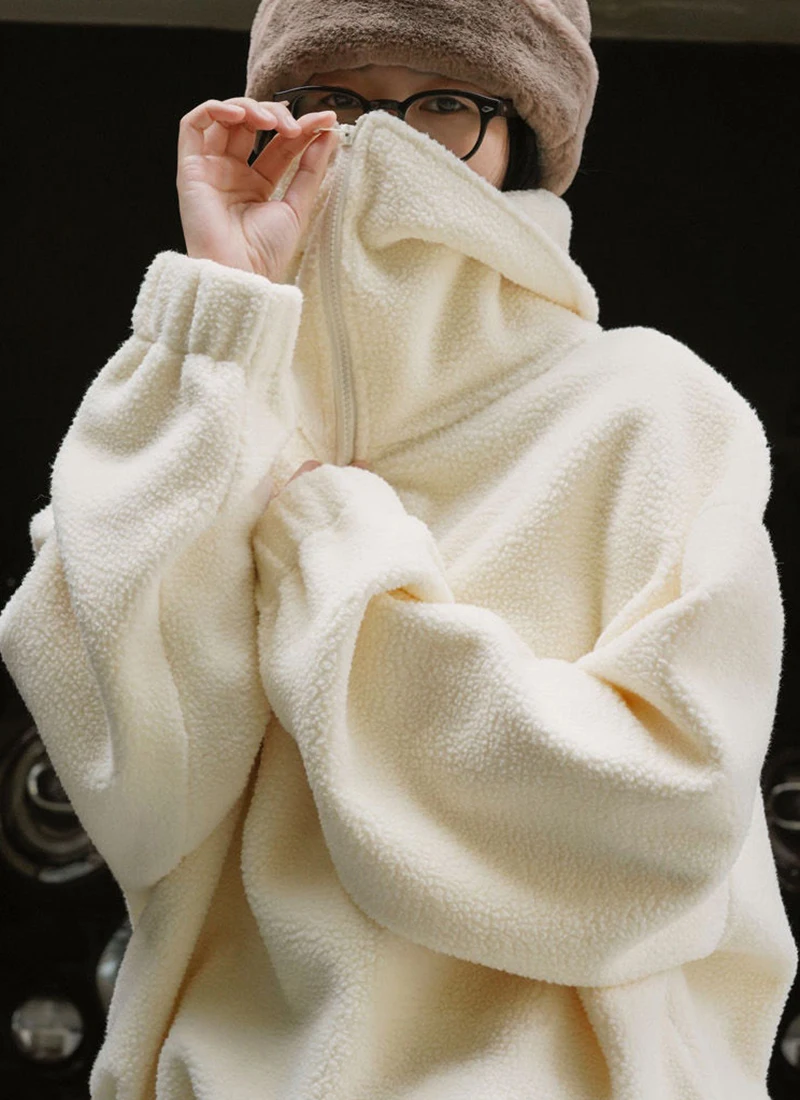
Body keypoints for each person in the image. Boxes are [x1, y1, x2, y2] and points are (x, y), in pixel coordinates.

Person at [0, 0, 796, 1097]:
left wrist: (327, 546)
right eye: (331, 98)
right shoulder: (212, 402)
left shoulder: (648, 411)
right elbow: (131, 794)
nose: (380, 139)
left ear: (521, 136)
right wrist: (217, 316)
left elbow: (654, 828)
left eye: (444, 103)